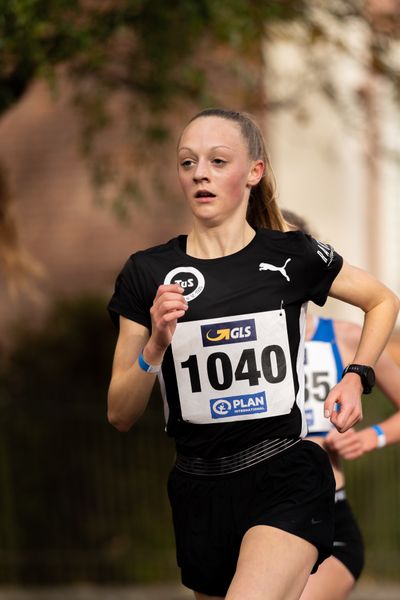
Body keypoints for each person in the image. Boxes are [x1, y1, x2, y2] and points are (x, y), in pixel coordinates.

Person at [107, 108, 399, 600]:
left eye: (218, 161)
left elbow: (382, 300)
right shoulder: (146, 273)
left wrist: (356, 376)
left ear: (254, 172)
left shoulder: (292, 255)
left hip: (284, 471)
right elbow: (119, 412)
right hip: (198, 488)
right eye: (187, 162)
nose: (200, 172)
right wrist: (156, 343)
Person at [282, 209, 400, 600]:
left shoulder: (348, 339)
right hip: (253, 514)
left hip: (327, 517)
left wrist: (371, 438)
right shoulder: (238, 346)